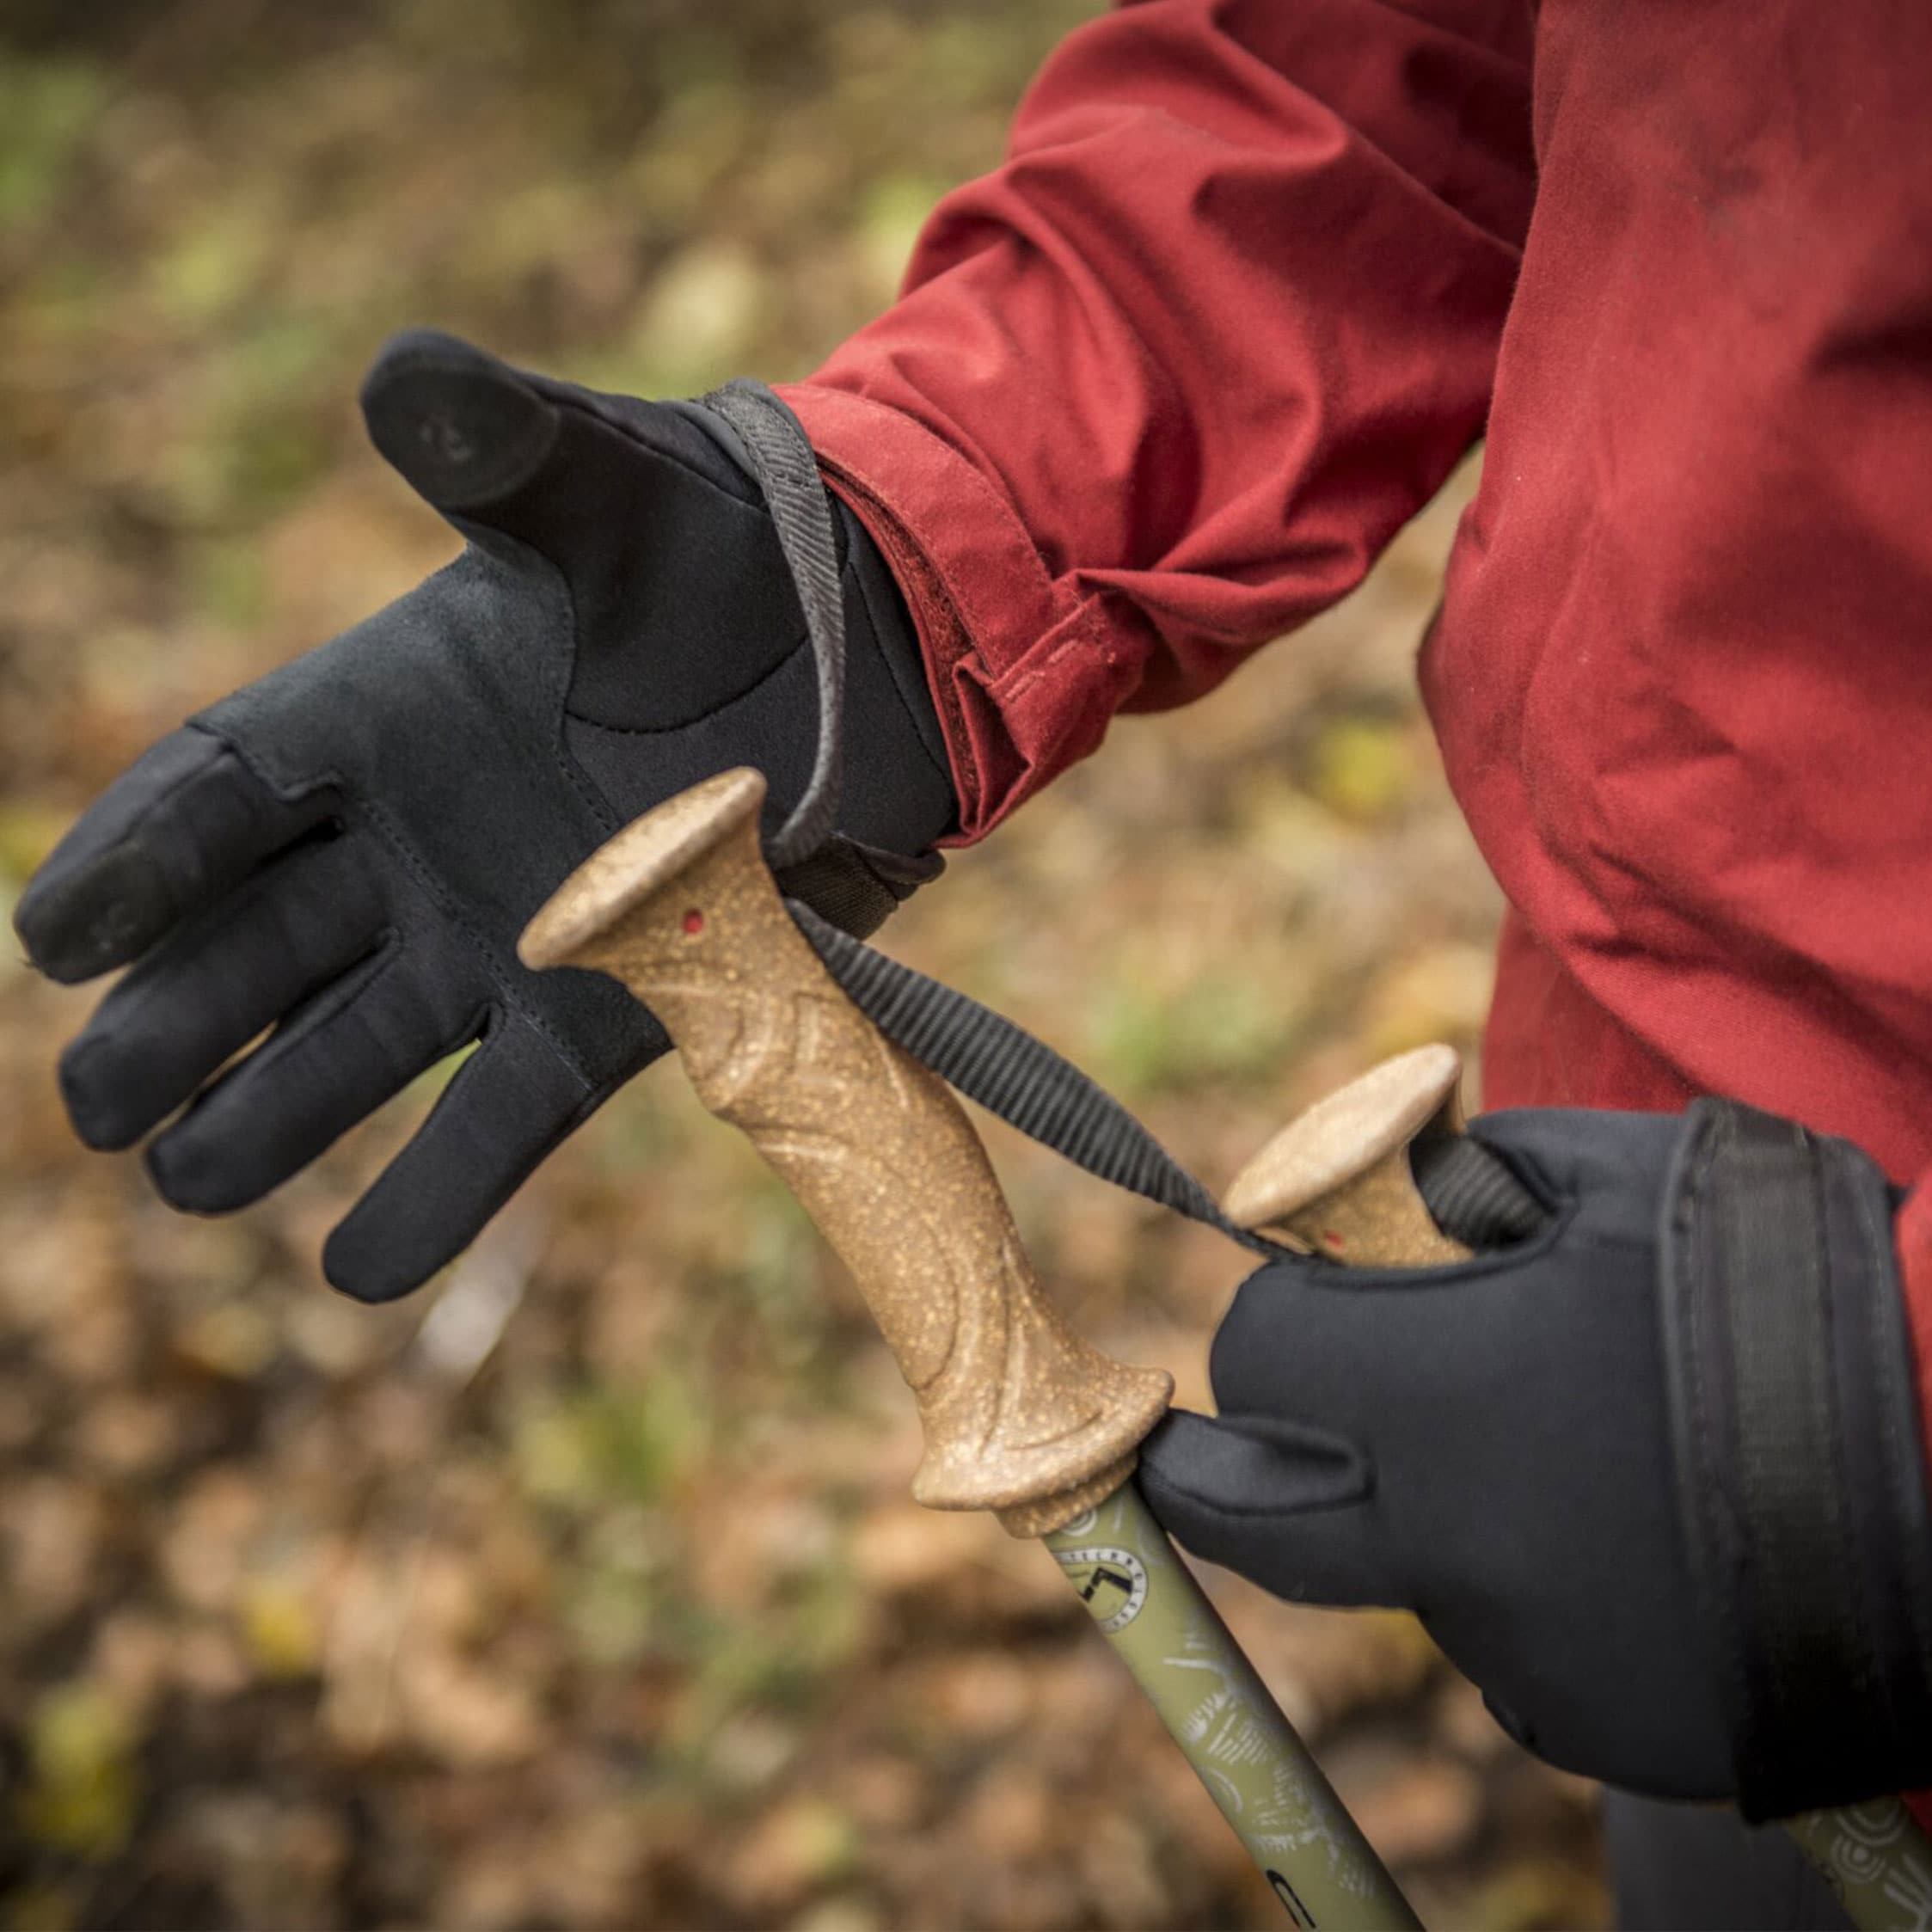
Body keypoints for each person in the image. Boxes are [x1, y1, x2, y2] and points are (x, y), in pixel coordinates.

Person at [16, 3, 1932, 1923]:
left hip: (1807, 1426)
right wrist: (895, 536)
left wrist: (1880, 1416)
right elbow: (1365, 76)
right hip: (1668, 1357)